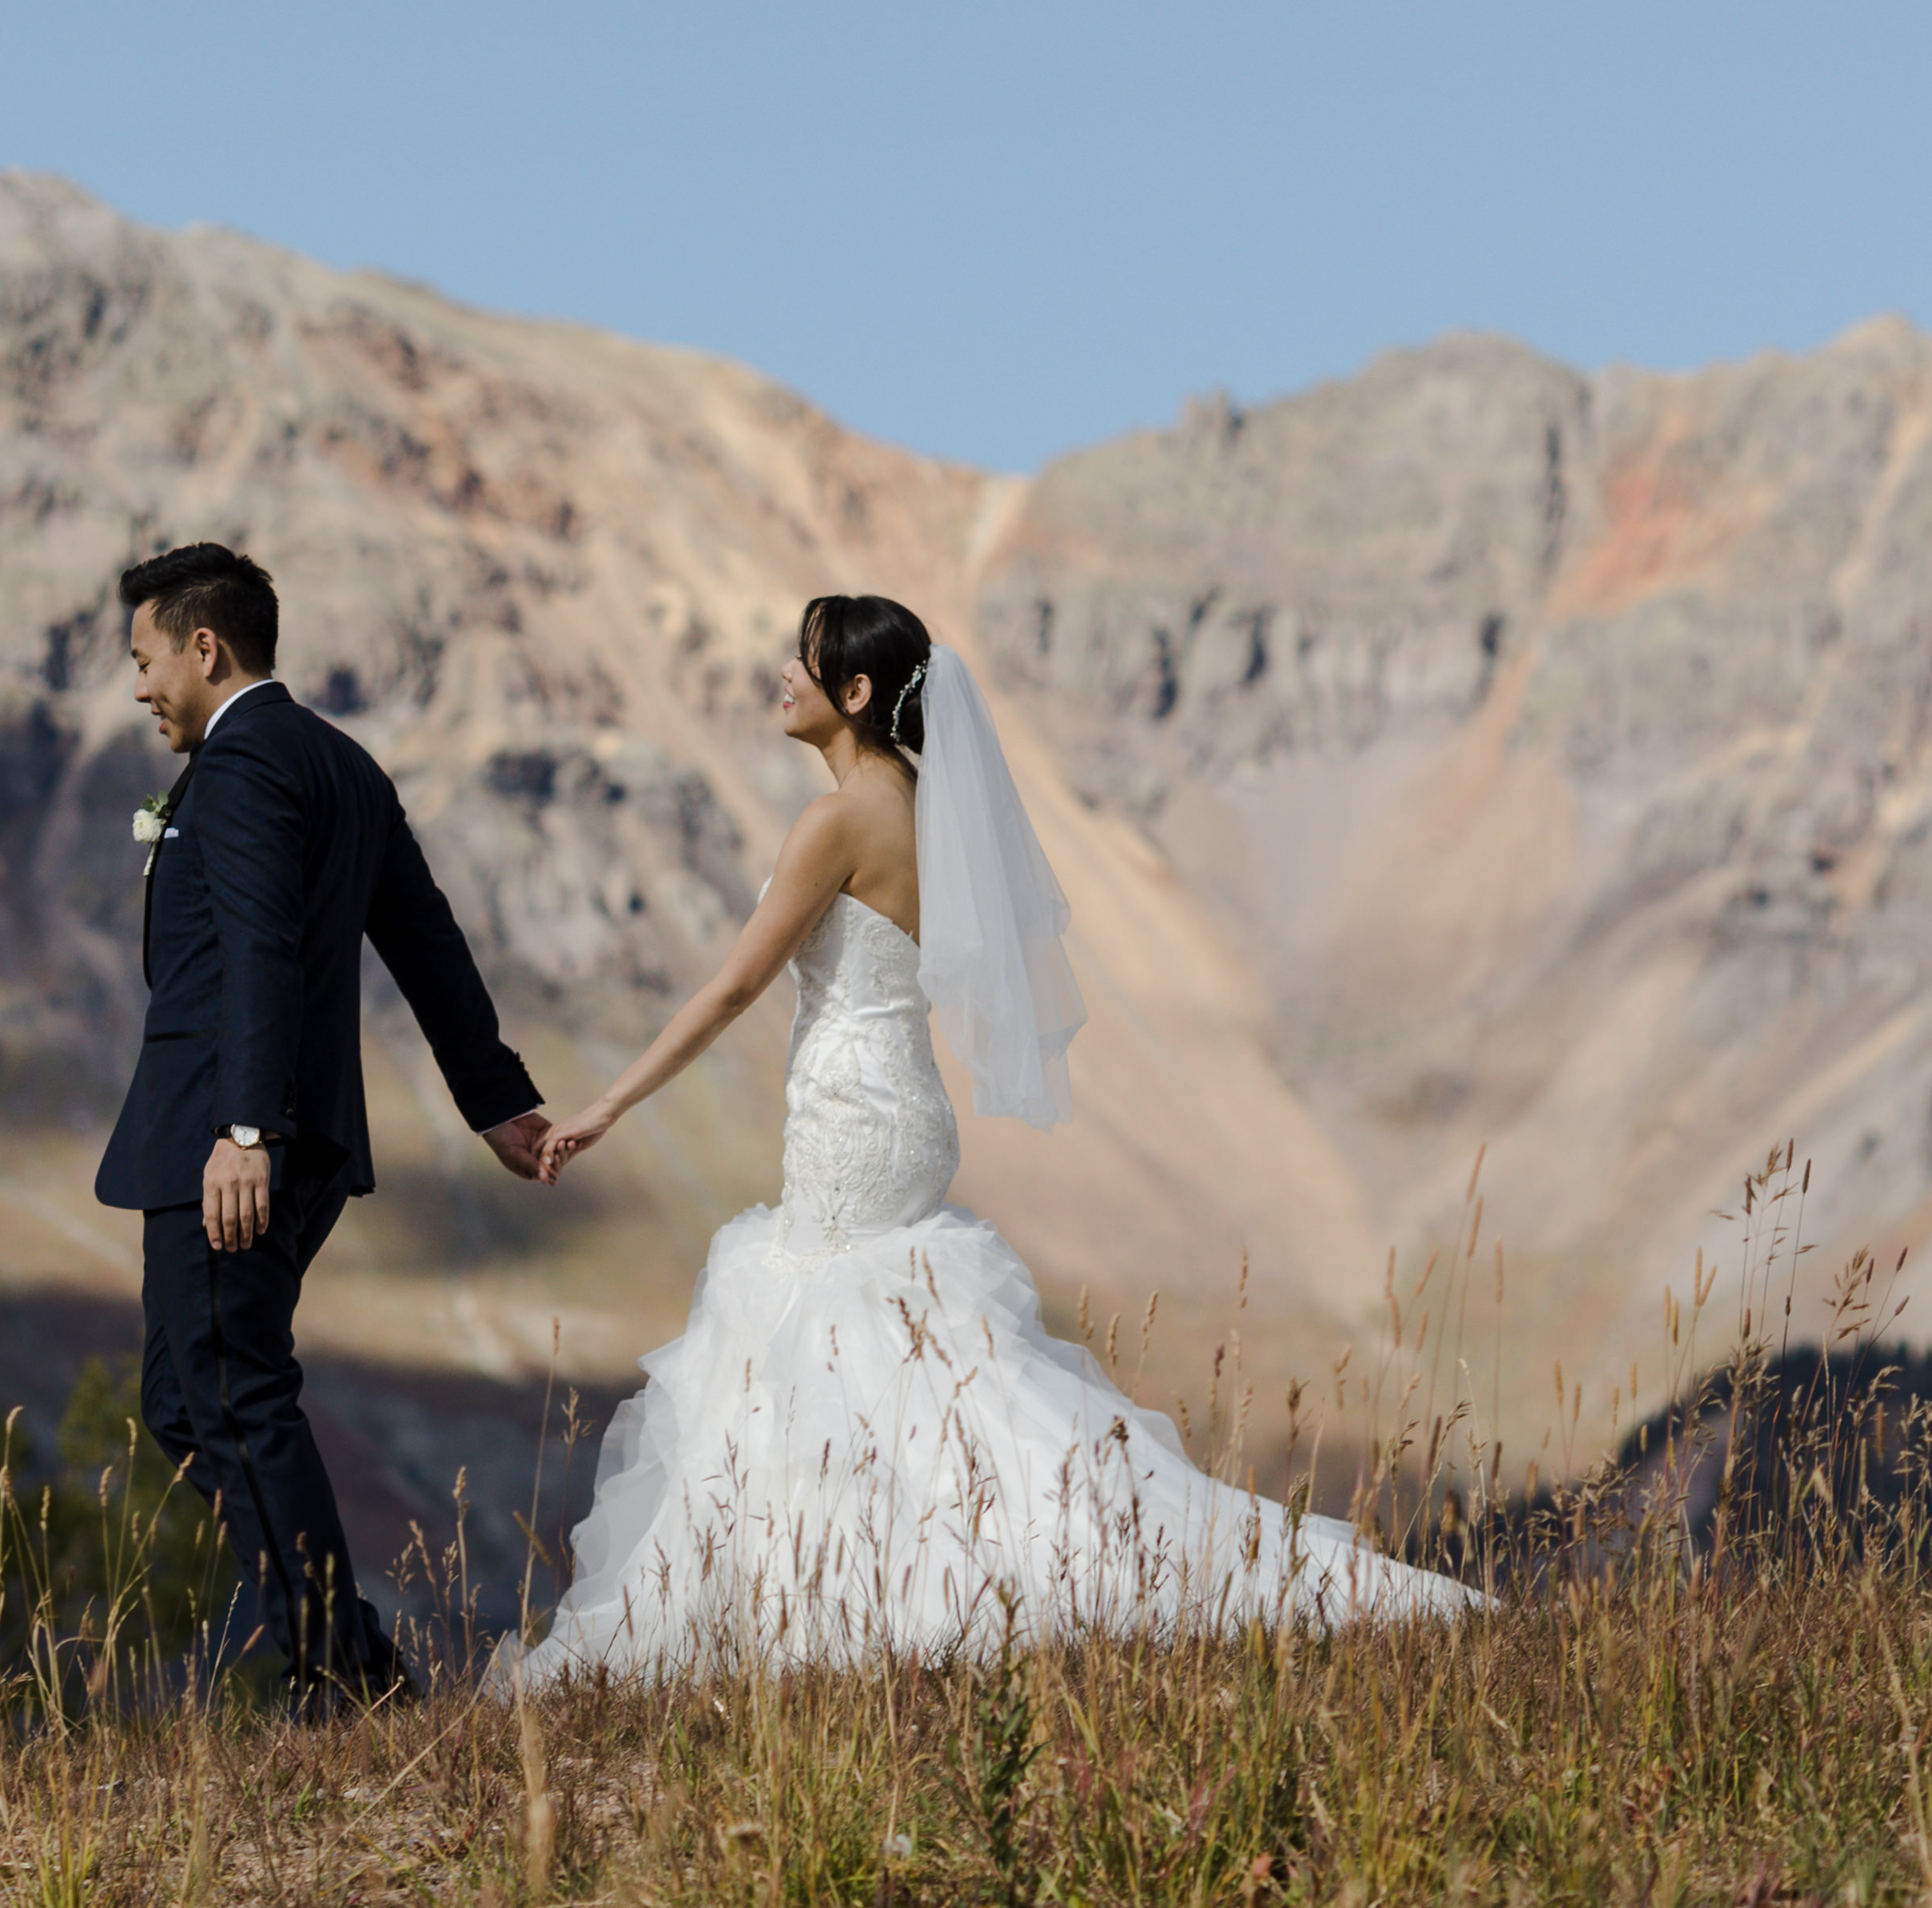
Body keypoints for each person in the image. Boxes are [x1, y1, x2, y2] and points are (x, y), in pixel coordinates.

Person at [508, 593, 1485, 1677]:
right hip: (908, 1108)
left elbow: (737, 983)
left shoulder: (833, 820)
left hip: (846, 1112)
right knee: (890, 1346)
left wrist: (607, 1104)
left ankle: (854, 1598)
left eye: (804, 659)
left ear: (856, 693)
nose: (781, 674)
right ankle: (896, 1570)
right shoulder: (929, 807)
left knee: (819, 1328)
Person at [95, 541, 551, 1710]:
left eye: (144, 659)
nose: (138, 685)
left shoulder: (244, 766)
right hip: (287, 1136)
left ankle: (326, 1677)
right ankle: (360, 1661)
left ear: (205, 647)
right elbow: (427, 940)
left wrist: (243, 1128)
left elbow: (255, 945)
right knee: (181, 1397)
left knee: (232, 1391)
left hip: (230, 1141)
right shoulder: (342, 763)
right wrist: (493, 1094)